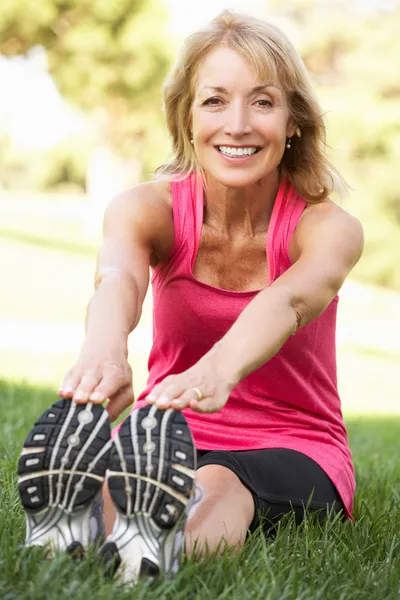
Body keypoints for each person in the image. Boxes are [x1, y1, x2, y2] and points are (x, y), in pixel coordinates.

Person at [17, 10, 363, 583]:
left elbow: (289, 303)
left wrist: (218, 372)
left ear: (294, 120)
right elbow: (117, 280)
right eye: (214, 101)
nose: (237, 124)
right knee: (112, 489)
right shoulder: (144, 209)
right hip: (165, 429)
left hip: (294, 440)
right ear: (186, 115)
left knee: (219, 483)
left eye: (262, 102)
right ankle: (75, 534)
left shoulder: (327, 227)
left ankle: (156, 550)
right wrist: (104, 352)